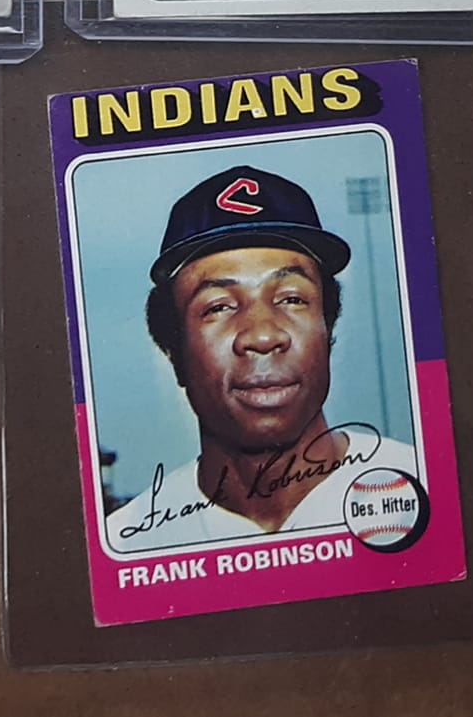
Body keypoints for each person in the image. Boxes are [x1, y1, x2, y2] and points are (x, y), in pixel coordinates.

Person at [104, 165, 419, 550]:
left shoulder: (428, 488)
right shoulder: (125, 543)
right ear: (174, 353)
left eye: (292, 299)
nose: (263, 335)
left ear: (328, 330)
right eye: (218, 306)